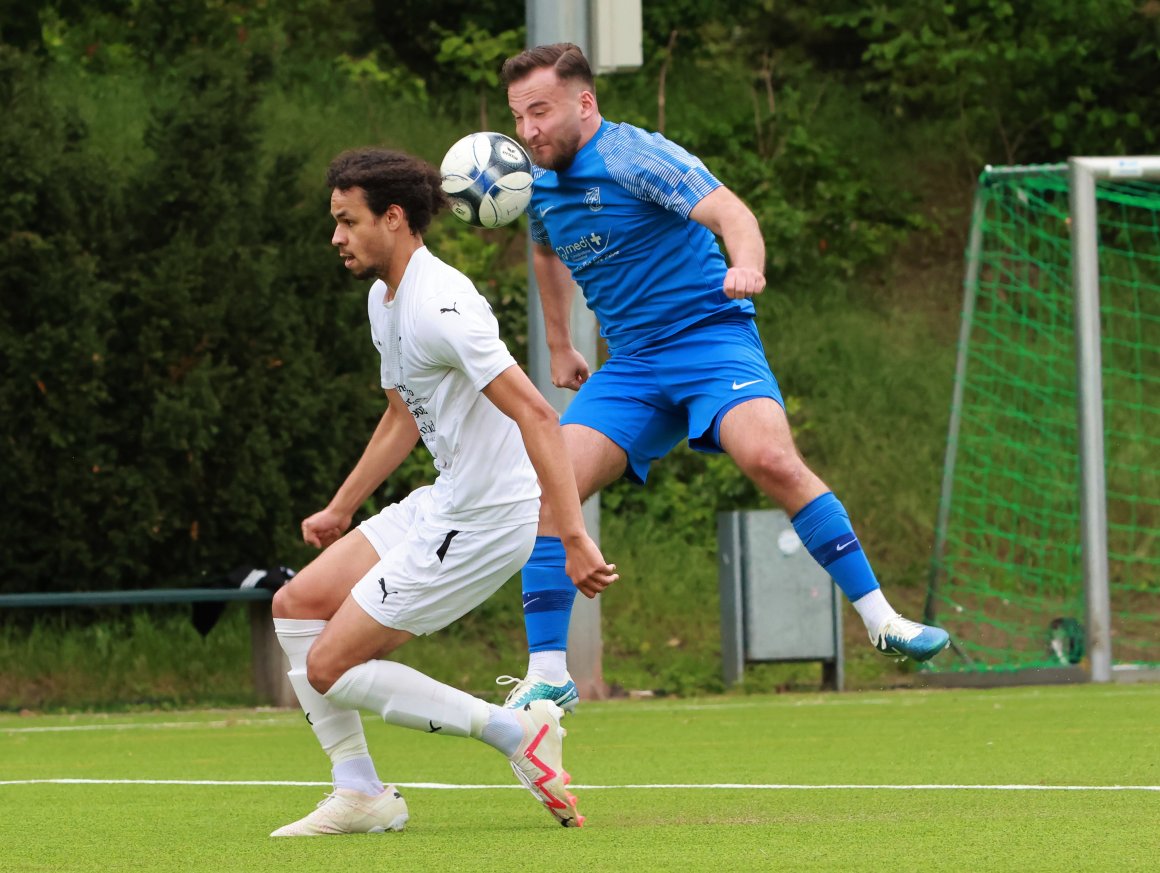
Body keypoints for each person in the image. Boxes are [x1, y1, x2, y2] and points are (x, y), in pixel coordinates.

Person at [494, 43, 950, 712]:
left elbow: (733, 213)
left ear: (584, 103)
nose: (529, 131)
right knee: (547, 483)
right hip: (635, 366)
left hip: (710, 337)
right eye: (518, 117)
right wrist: (562, 345)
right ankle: (547, 670)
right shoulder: (533, 184)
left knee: (769, 456)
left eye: (541, 112)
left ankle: (881, 617)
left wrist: (748, 265)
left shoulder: (635, 156)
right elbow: (543, 251)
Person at [269, 147, 616, 836]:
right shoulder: (385, 298)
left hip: (487, 520)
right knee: (295, 603)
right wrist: (343, 505)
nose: (335, 236)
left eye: (347, 221)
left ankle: (514, 730)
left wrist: (572, 534)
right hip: (447, 498)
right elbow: (403, 415)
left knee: (330, 663)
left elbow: (538, 414)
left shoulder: (444, 304)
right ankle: (360, 790)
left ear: (393, 218)